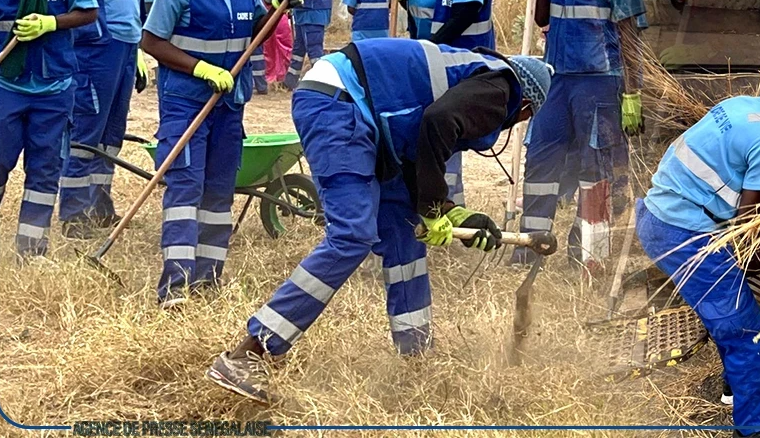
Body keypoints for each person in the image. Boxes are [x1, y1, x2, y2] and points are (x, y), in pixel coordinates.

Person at [204, 38, 553, 404]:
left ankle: (416, 357)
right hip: (340, 105)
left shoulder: (473, 76)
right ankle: (248, 353)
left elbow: (419, 146)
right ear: (527, 106)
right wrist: (432, 207)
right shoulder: (503, 88)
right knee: (352, 236)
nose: (517, 122)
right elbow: (438, 123)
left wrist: (449, 211)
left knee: (404, 233)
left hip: (361, 112)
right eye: (526, 118)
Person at [636, 44, 760, 438]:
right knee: (746, 329)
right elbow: (749, 220)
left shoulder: (739, 105)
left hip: (656, 213)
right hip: (683, 231)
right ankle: (754, 430)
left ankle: (733, 387)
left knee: (730, 310)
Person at [141, 0, 303, 308]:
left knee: (219, 191)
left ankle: (207, 281)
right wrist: (200, 68)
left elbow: (255, 30)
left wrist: (277, 8)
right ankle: (175, 287)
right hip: (187, 102)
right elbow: (151, 41)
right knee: (185, 187)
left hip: (229, 103)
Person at [512, 0, 647, 277]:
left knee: (595, 168)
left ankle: (588, 256)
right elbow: (542, 16)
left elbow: (630, 34)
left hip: (599, 81)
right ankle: (530, 247)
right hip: (557, 77)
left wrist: (633, 92)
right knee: (540, 159)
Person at [0, 0, 99, 258]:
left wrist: (51, 22)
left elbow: (88, 11)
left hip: (54, 87)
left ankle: (31, 250)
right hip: (4, 84)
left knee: (45, 170)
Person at [385, 0, 495, 207]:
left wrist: (421, 55)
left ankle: (445, 208)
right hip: (430, 66)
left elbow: (461, 17)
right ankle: (444, 206)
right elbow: (427, 10)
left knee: (443, 138)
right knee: (428, 138)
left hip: (458, 68)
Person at [57, 0, 147, 239]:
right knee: (86, 132)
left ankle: (99, 207)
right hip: (95, 50)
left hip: (125, 46)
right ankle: (74, 214)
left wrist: (138, 51)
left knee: (110, 135)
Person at [246, 0, 293, 94]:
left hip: (283, 7)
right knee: (268, 42)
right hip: (268, 5)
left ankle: (281, 76)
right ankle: (268, 77)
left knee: (284, 40)